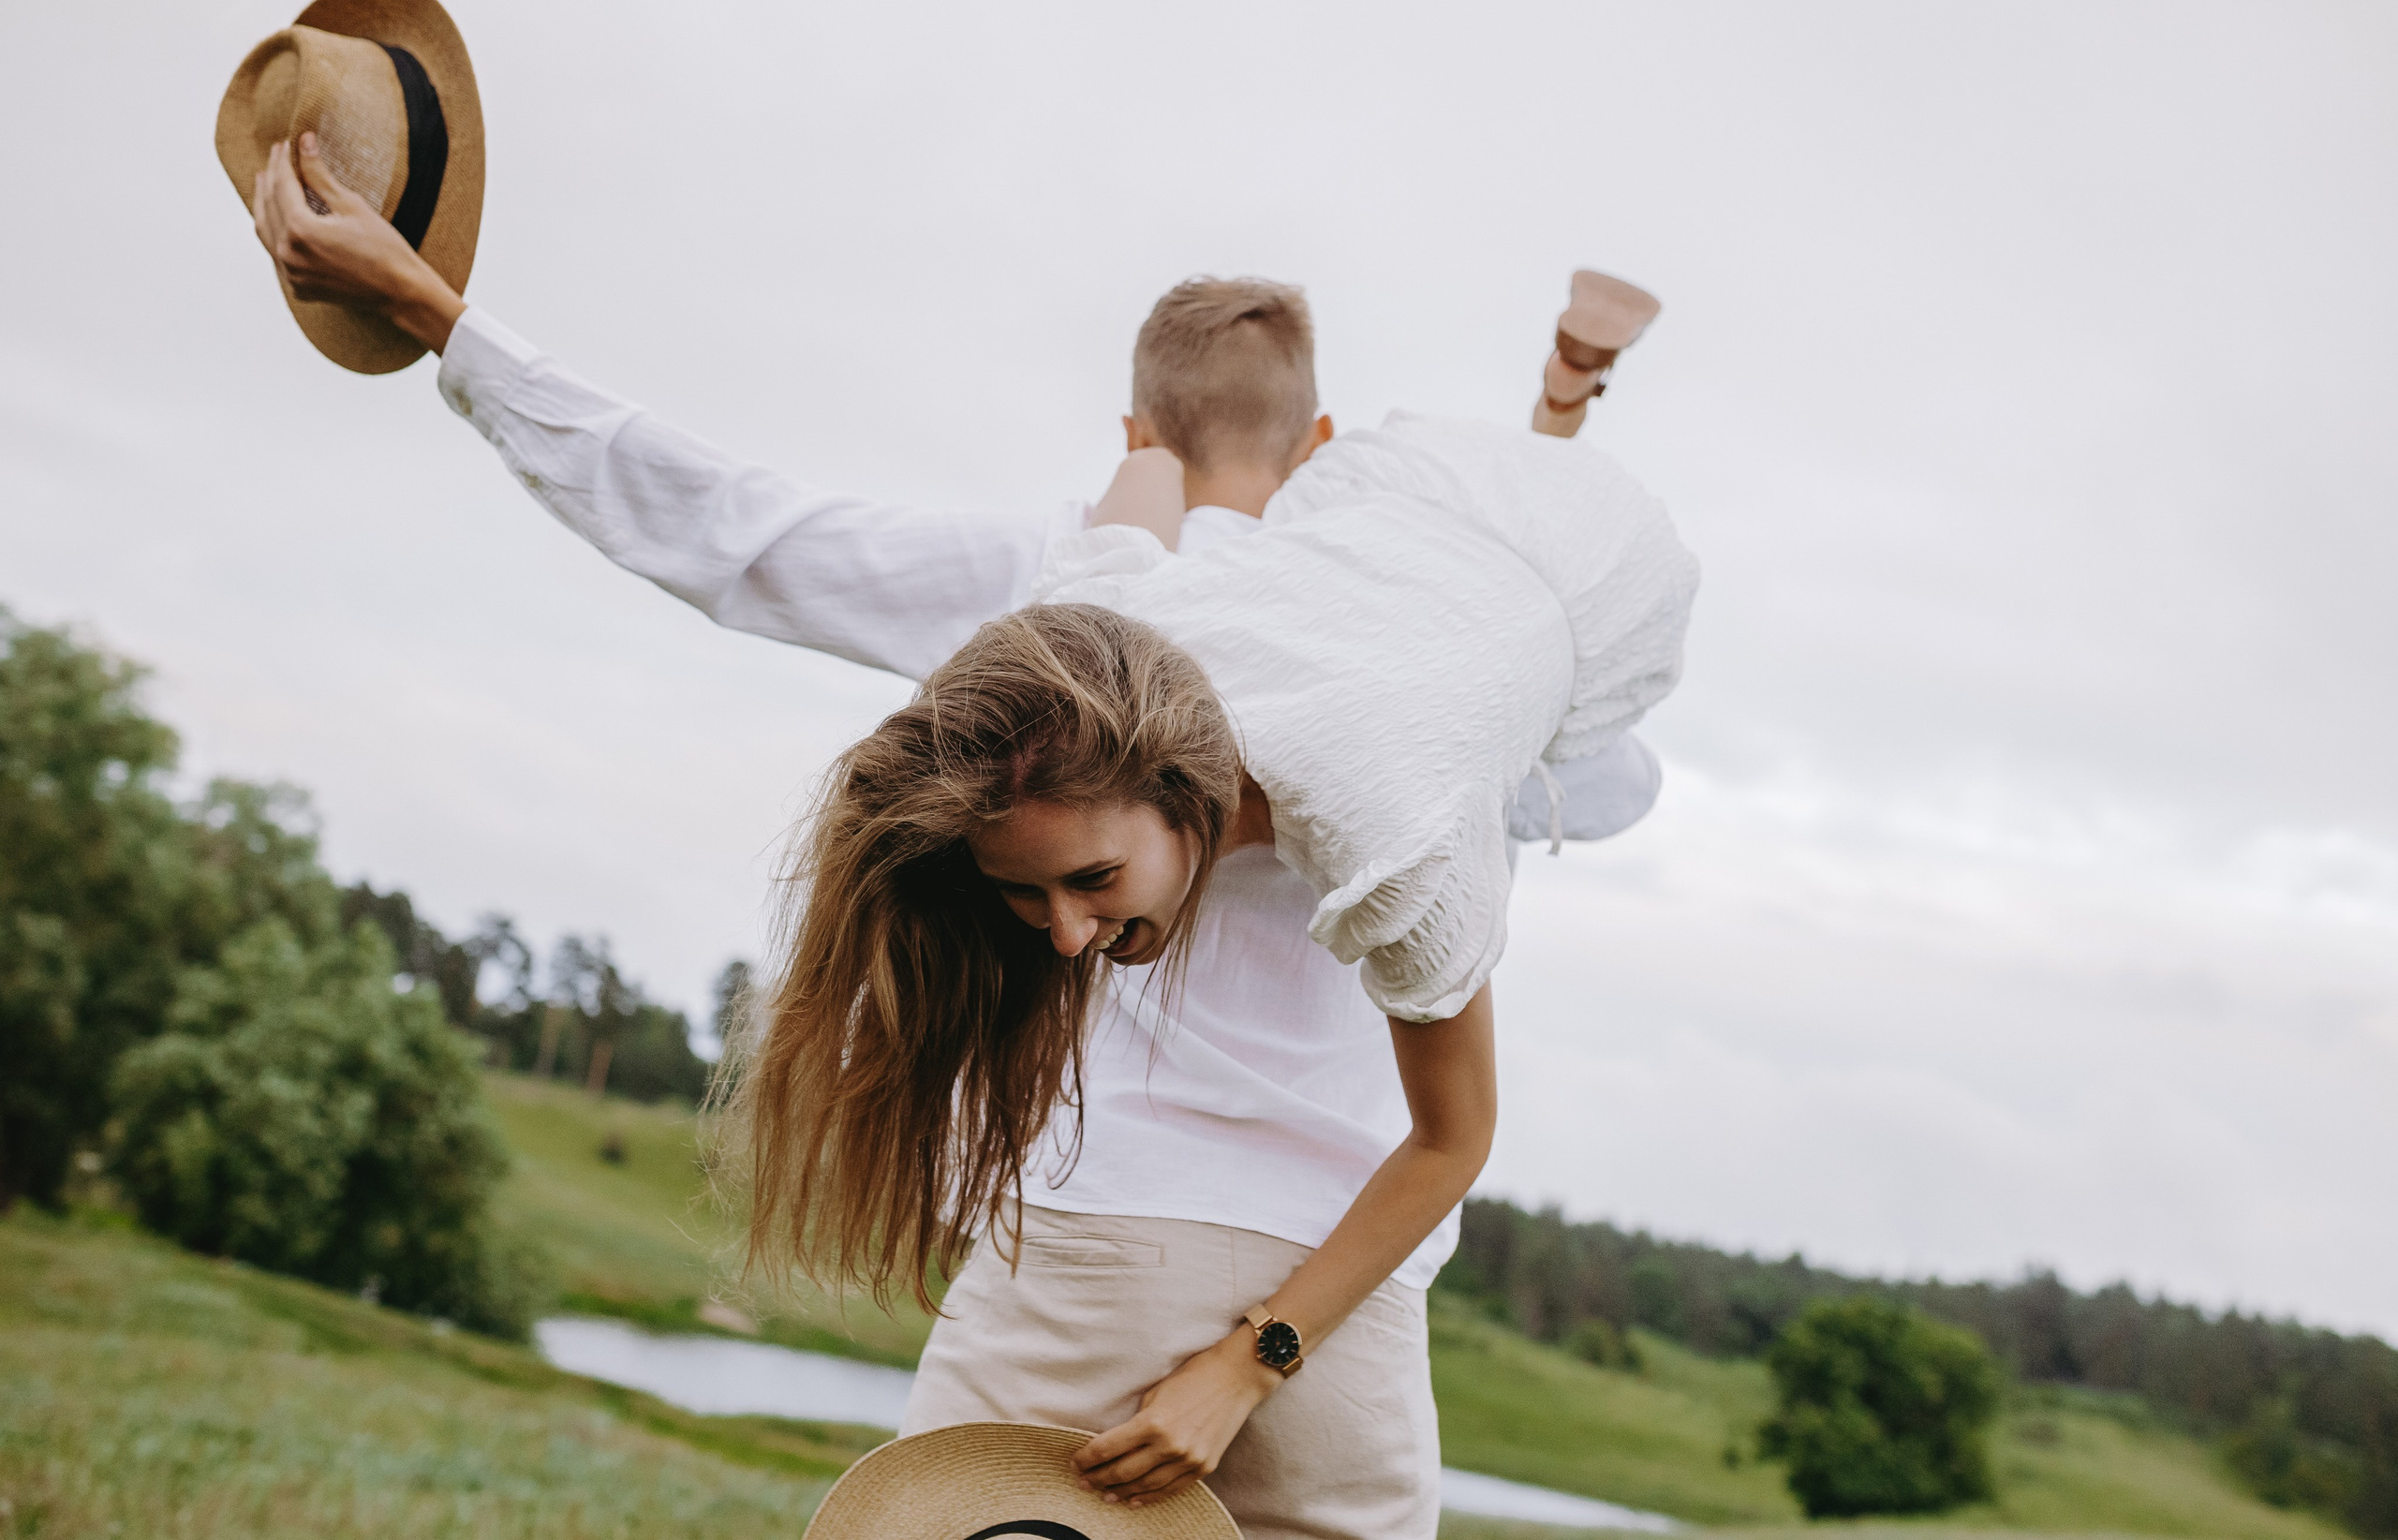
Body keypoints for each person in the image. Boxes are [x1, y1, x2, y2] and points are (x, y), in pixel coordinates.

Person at [249, 133, 1676, 1537]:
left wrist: (449, 325)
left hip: (1099, 1233)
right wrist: (1550, 438)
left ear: (1135, 443)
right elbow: (1604, 781)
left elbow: (740, 535)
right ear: (1321, 451)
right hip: (1352, 1281)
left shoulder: (1062, 599)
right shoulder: (1410, 699)